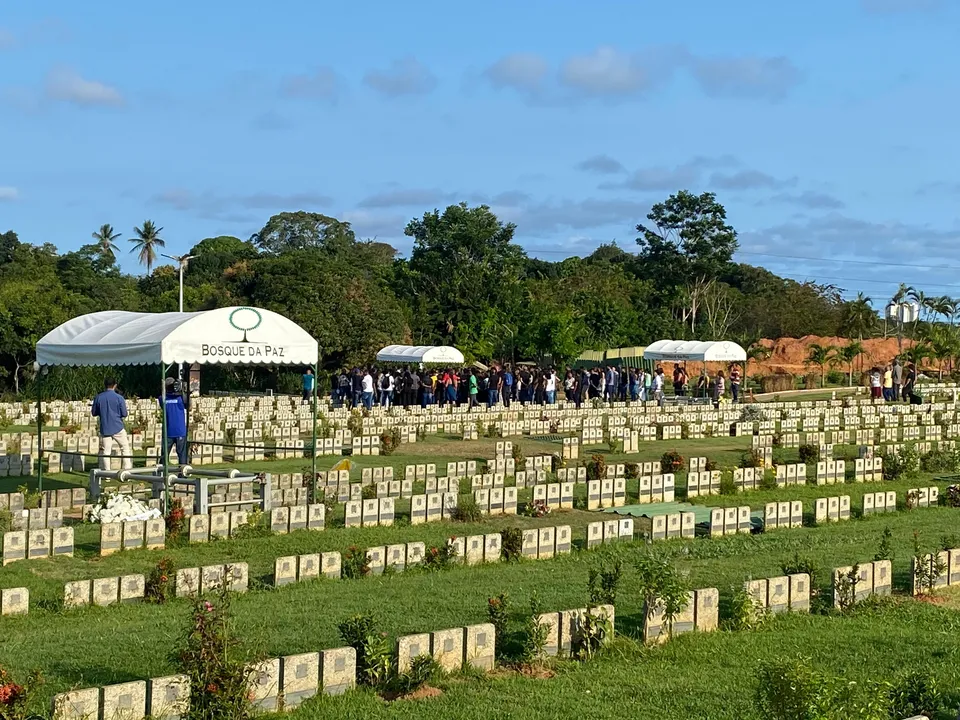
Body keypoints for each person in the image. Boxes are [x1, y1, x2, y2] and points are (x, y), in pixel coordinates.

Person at [92, 378, 133, 471]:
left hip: (105, 427)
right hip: (117, 427)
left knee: (106, 451)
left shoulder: (98, 397)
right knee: (125, 448)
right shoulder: (119, 398)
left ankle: (107, 474)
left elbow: (94, 413)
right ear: (115, 385)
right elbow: (124, 414)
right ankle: (127, 471)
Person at [160, 377, 189, 465]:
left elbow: (161, 398)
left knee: (164, 455)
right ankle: (183, 474)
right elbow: (188, 405)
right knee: (182, 456)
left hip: (168, 431)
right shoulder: (181, 399)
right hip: (180, 431)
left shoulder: (163, 399)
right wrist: (183, 391)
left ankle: (162, 473)